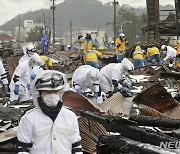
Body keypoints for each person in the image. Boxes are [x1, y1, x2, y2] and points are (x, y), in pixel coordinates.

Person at [16, 70, 82, 154]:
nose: (52, 95)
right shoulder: (28, 119)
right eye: (48, 92)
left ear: (60, 93)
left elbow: (76, 147)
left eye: (55, 92)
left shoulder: (70, 116)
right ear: (39, 94)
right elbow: (23, 150)